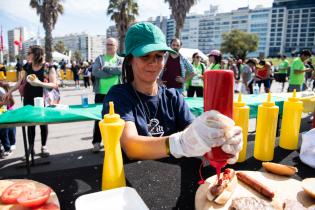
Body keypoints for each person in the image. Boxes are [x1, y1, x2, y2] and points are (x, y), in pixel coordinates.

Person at [102, 22, 242, 162]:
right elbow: (131, 147)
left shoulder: (173, 96)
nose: (154, 62)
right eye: (145, 56)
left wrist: (218, 141)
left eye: (159, 56)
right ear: (130, 60)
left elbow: (193, 132)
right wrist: (179, 143)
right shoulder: (119, 96)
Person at [4, 45, 58, 158]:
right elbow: (20, 82)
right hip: (28, 98)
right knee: (30, 124)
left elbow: (54, 84)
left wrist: (39, 83)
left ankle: (44, 146)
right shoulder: (27, 66)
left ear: (36, 54)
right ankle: (30, 149)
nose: (27, 55)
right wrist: (9, 92)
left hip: (42, 99)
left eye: (29, 53)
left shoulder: (48, 67)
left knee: (43, 123)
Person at [91, 37, 123, 152]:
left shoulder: (120, 59)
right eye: (107, 44)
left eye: (111, 44)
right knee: (99, 118)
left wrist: (106, 69)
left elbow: (121, 70)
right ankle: (96, 142)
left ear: (116, 46)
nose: (109, 46)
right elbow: (95, 72)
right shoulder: (99, 58)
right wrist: (112, 73)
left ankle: (115, 142)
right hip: (101, 93)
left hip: (116, 93)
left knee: (117, 118)